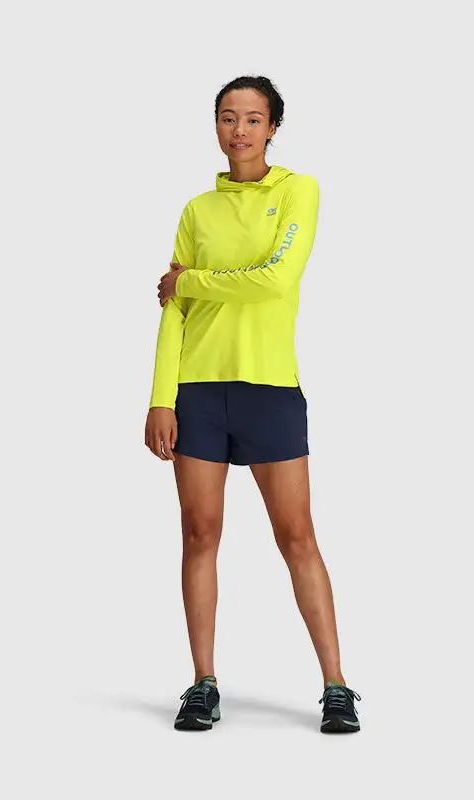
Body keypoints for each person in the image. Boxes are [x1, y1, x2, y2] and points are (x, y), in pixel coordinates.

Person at [144, 75, 361, 734]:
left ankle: (336, 685)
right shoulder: (197, 210)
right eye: (227, 117)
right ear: (216, 124)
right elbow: (174, 310)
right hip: (197, 391)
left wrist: (193, 279)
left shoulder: (298, 191)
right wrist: (160, 398)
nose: (238, 130)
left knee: (297, 537)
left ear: (272, 127)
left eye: (252, 119)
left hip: (269, 390)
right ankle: (203, 682)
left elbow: (276, 280)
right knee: (199, 534)